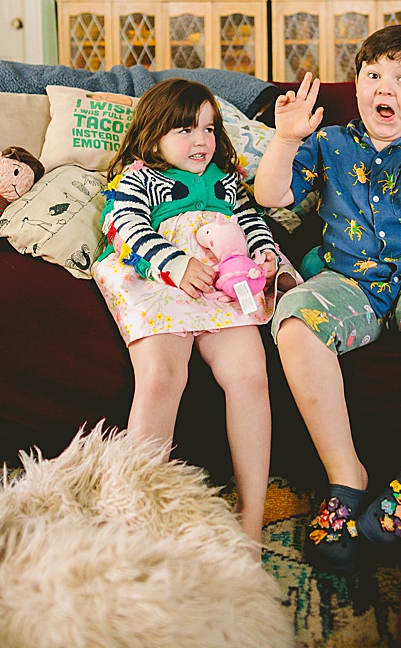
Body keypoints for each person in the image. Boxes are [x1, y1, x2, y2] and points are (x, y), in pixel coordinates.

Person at [253, 25, 401, 570]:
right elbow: (270, 197)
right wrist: (286, 139)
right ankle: (346, 475)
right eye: (374, 74)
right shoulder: (329, 143)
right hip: (349, 280)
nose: (385, 86)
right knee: (293, 323)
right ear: (358, 83)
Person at [92, 78, 300, 542]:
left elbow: (253, 225)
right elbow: (122, 225)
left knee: (250, 375)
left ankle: (250, 513)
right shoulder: (140, 177)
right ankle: (139, 511)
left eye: (208, 129)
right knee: (163, 376)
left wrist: (264, 256)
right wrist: (174, 262)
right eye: (186, 130)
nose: (201, 141)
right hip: (160, 277)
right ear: (153, 136)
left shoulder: (227, 182)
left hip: (223, 280)